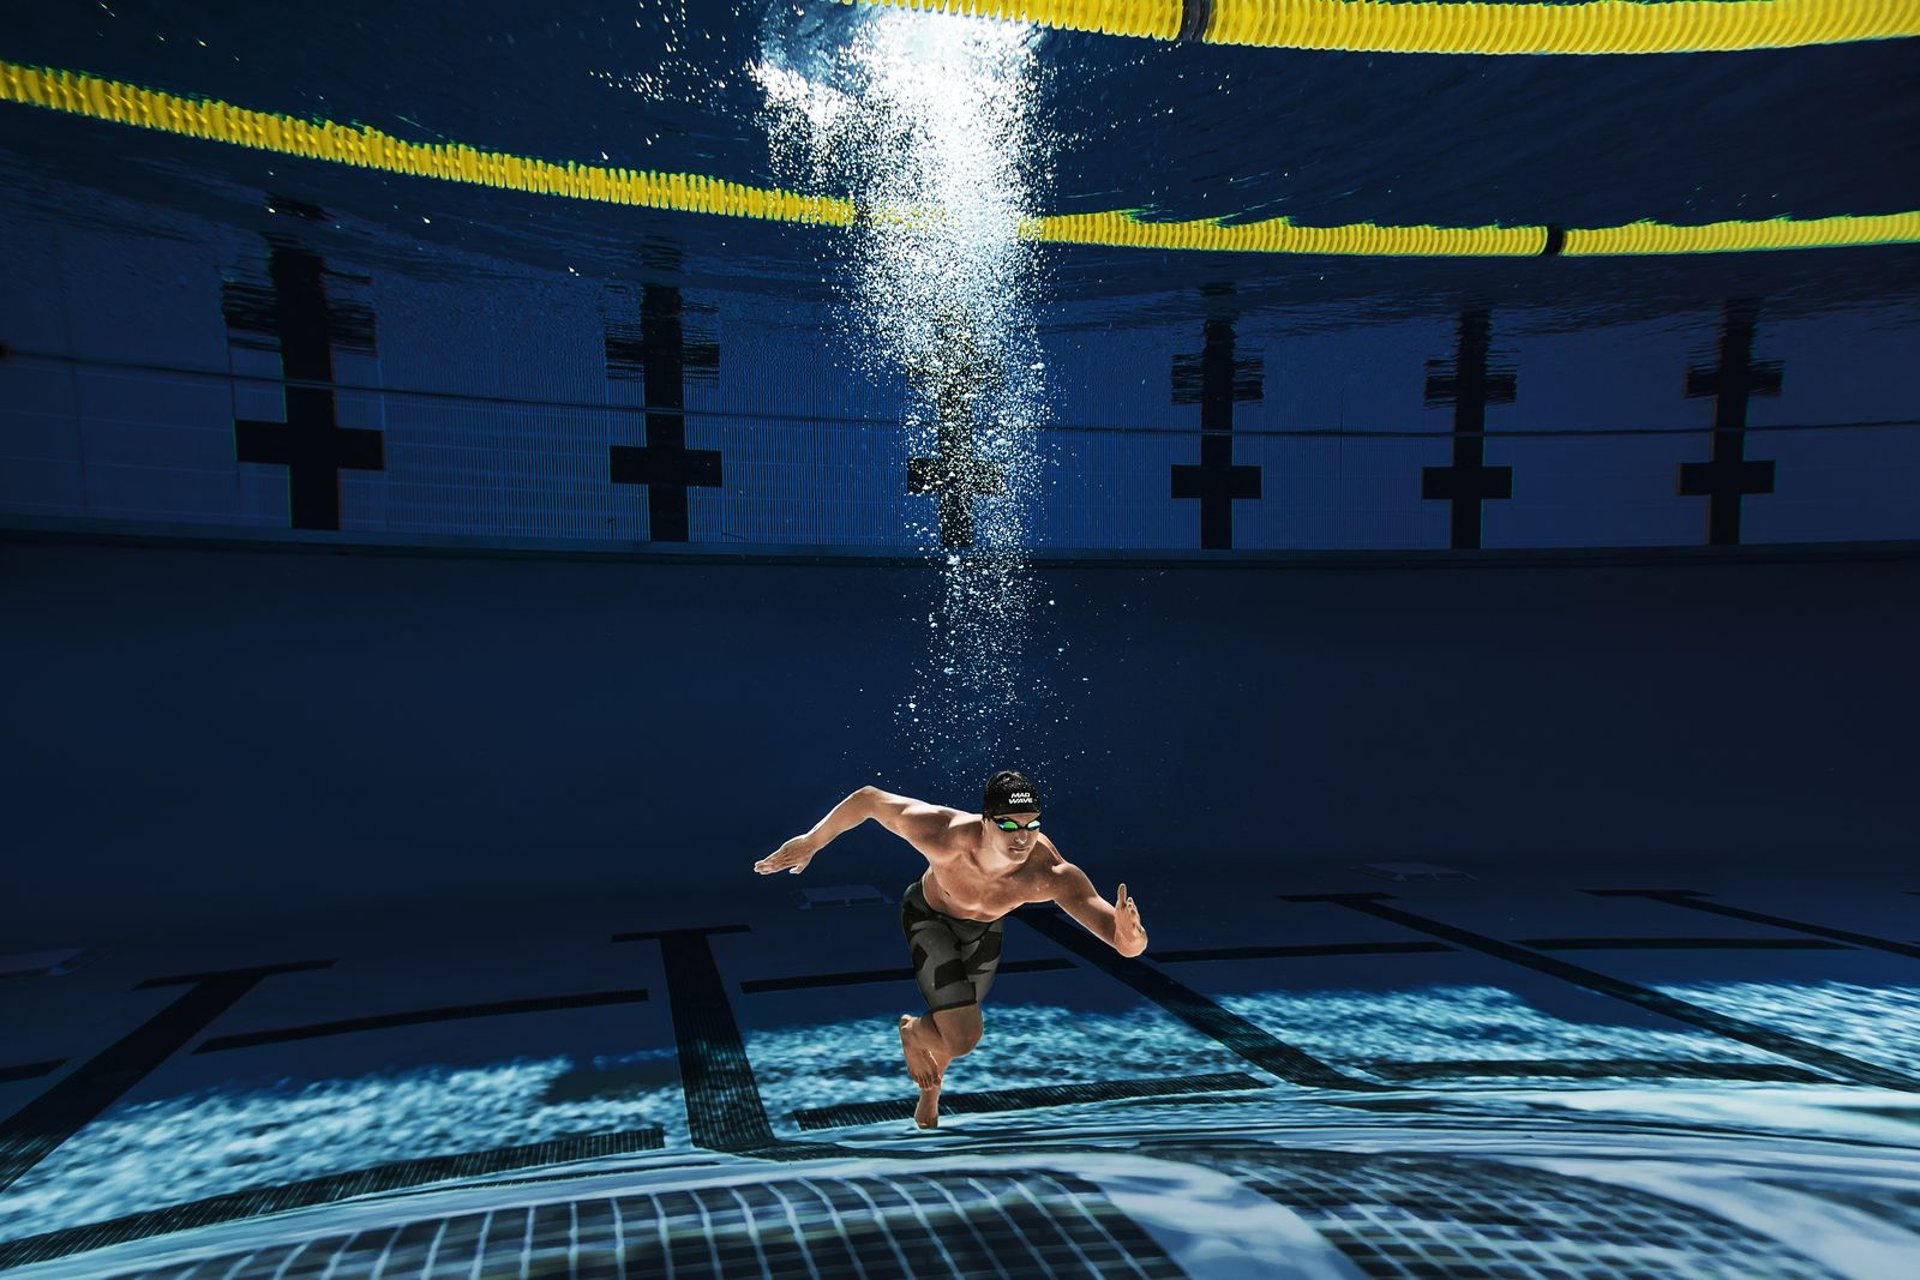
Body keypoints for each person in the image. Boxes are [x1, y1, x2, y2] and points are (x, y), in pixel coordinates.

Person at [753, 770, 1146, 1129]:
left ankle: (930, 1090)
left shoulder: (1049, 874)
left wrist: (1132, 935)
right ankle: (911, 1033)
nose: (1022, 838)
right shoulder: (944, 835)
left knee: (953, 1022)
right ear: (986, 820)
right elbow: (869, 799)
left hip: (984, 930)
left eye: (1032, 825)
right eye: (1009, 825)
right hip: (930, 919)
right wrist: (812, 841)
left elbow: (1125, 946)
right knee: (961, 1037)